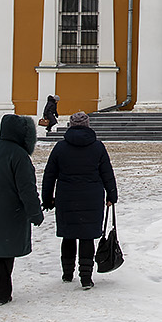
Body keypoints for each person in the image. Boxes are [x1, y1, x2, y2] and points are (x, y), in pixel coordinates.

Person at [0, 114, 45, 305]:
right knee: (5, 254)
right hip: (10, 213)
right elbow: (26, 189)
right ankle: (2, 295)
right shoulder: (19, 155)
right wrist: (35, 214)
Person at [41, 111, 117, 290]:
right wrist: (112, 195)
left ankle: (67, 273)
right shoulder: (97, 147)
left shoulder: (60, 147)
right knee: (87, 237)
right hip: (92, 197)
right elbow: (107, 173)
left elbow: (49, 175)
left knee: (68, 236)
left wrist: (47, 199)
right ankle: (86, 277)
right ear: (87, 125)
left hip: (66, 197)